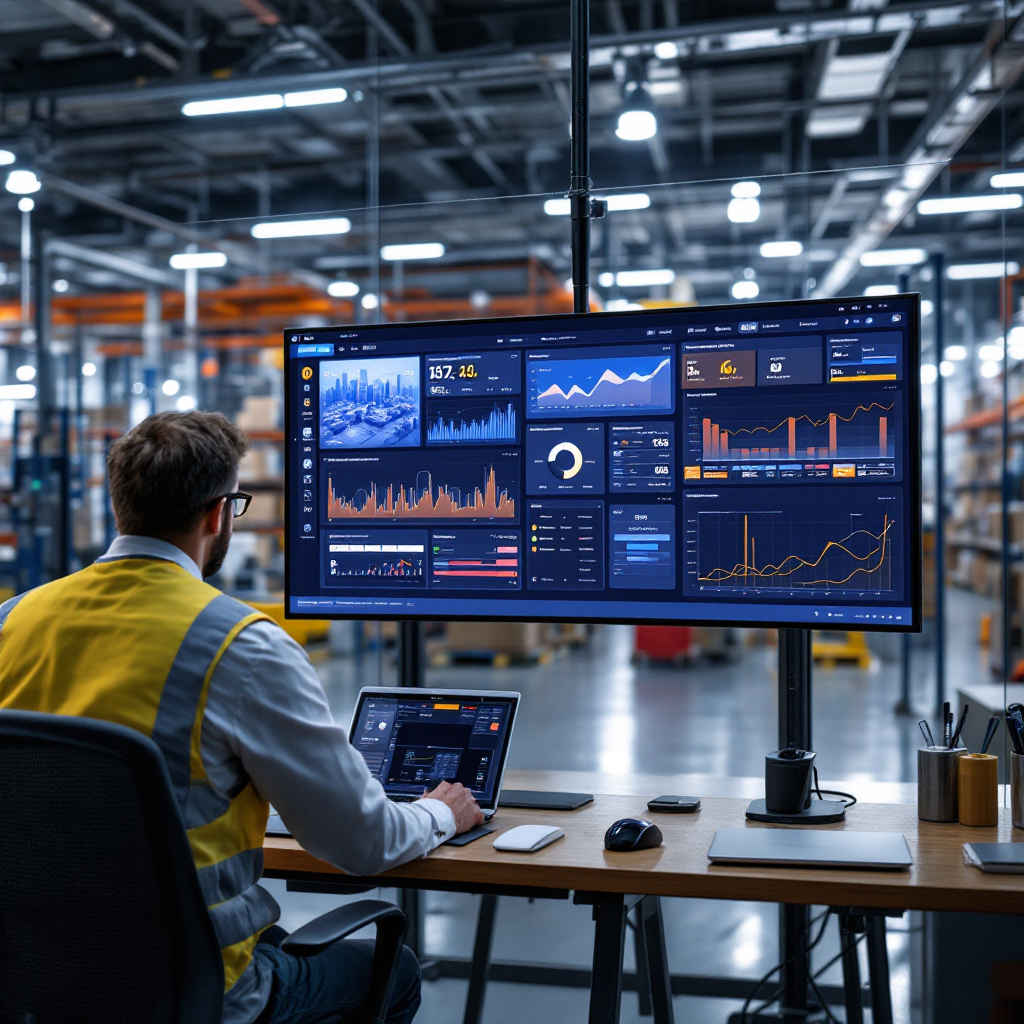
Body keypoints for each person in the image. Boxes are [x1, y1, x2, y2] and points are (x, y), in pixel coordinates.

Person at [0, 411, 483, 1024]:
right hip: (199, 992)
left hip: (33, 985)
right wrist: (442, 809)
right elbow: (363, 843)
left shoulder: (11, 619)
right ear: (218, 512)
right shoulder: (241, 644)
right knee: (396, 970)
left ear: (121, 505)